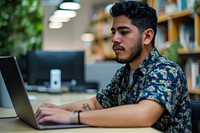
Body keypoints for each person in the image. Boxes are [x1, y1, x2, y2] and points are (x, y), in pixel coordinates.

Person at [35, 1, 192, 132]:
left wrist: (71, 117)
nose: (115, 39)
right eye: (113, 32)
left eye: (123, 32)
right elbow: (97, 103)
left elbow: (143, 115)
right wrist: (57, 110)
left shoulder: (166, 70)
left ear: (147, 36)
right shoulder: (124, 72)